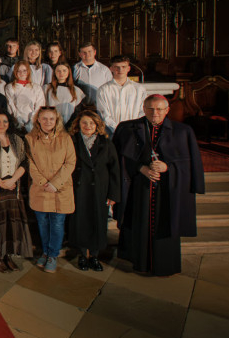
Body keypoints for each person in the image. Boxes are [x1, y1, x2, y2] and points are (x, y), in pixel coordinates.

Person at [113, 95, 204, 276]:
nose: (155, 113)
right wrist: (141, 168)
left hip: (167, 189)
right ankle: (139, 262)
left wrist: (167, 167)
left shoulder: (183, 131)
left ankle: (165, 265)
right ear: (143, 108)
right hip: (139, 187)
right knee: (138, 223)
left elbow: (190, 164)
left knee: (165, 224)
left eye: (160, 109)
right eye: (150, 108)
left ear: (167, 110)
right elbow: (118, 158)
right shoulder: (127, 128)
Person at [0, 109, 33, 273]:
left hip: (13, 188)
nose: (1, 124)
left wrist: (13, 180)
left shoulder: (17, 140)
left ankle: (8, 255)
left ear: (9, 123)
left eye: (5, 121)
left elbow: (24, 162)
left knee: (11, 225)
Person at [25, 107, 76, 274]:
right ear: (38, 120)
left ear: (57, 120)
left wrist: (55, 184)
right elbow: (29, 163)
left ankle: (53, 255)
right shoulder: (29, 139)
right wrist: (43, 182)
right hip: (40, 189)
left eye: (51, 119)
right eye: (44, 118)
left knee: (57, 223)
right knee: (43, 223)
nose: (48, 122)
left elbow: (70, 162)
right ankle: (45, 252)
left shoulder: (65, 138)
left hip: (61, 189)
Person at [70, 110, 120, 272]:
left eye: (92, 123)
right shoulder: (72, 141)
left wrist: (113, 194)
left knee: (98, 221)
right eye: (84, 123)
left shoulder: (106, 143)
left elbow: (115, 170)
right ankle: (82, 255)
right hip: (79, 188)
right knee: (80, 221)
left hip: (100, 189)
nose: (88, 126)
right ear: (78, 124)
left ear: (97, 125)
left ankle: (95, 256)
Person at [96, 54, 147, 135]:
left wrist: (133, 128)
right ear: (111, 68)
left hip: (134, 132)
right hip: (112, 133)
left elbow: (143, 111)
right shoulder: (103, 89)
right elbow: (104, 114)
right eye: (117, 67)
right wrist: (118, 130)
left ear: (128, 68)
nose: (120, 70)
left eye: (123, 67)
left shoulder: (139, 89)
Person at [5, 60, 45, 132]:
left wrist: (32, 121)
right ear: (15, 72)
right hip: (16, 123)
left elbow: (40, 105)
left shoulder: (36, 88)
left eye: (24, 70)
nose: (22, 73)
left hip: (33, 124)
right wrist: (18, 120)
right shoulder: (10, 87)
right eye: (19, 71)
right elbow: (10, 105)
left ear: (28, 71)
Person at [45, 61, 86, 126]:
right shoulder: (47, 88)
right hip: (51, 123)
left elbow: (77, 111)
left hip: (69, 124)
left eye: (64, 71)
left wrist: (70, 124)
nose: (61, 73)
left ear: (68, 72)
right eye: (58, 71)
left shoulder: (76, 90)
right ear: (54, 73)